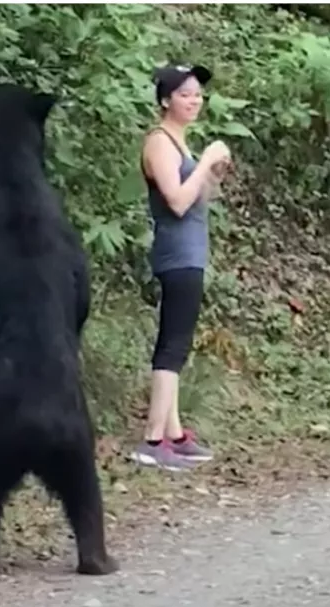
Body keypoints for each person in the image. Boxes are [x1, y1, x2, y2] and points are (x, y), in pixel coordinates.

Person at [132, 63, 230, 471]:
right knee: (173, 345)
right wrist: (206, 161)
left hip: (190, 252)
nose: (194, 100)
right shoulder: (159, 141)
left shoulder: (179, 143)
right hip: (176, 254)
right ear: (165, 100)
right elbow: (175, 200)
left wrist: (212, 172)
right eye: (186, 94)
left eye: (198, 94)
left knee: (179, 341)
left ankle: (173, 433)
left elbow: (199, 198)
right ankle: (152, 439)